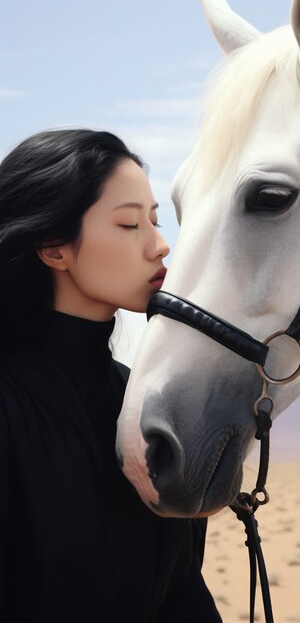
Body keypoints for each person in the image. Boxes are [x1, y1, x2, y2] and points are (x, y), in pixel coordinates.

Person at [0, 128, 222, 623]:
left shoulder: (148, 401)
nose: (161, 246)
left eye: (156, 221)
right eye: (129, 225)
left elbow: (182, 585)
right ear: (53, 247)